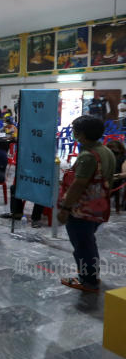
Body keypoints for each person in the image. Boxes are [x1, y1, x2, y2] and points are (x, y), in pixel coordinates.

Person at [58, 116, 116, 293]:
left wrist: (65, 208)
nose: (73, 132)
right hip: (99, 206)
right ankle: (91, 274)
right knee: (89, 242)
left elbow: (78, 185)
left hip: (82, 209)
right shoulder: (106, 151)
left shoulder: (87, 156)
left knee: (82, 246)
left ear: (82, 134)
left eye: (75, 129)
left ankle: (87, 281)